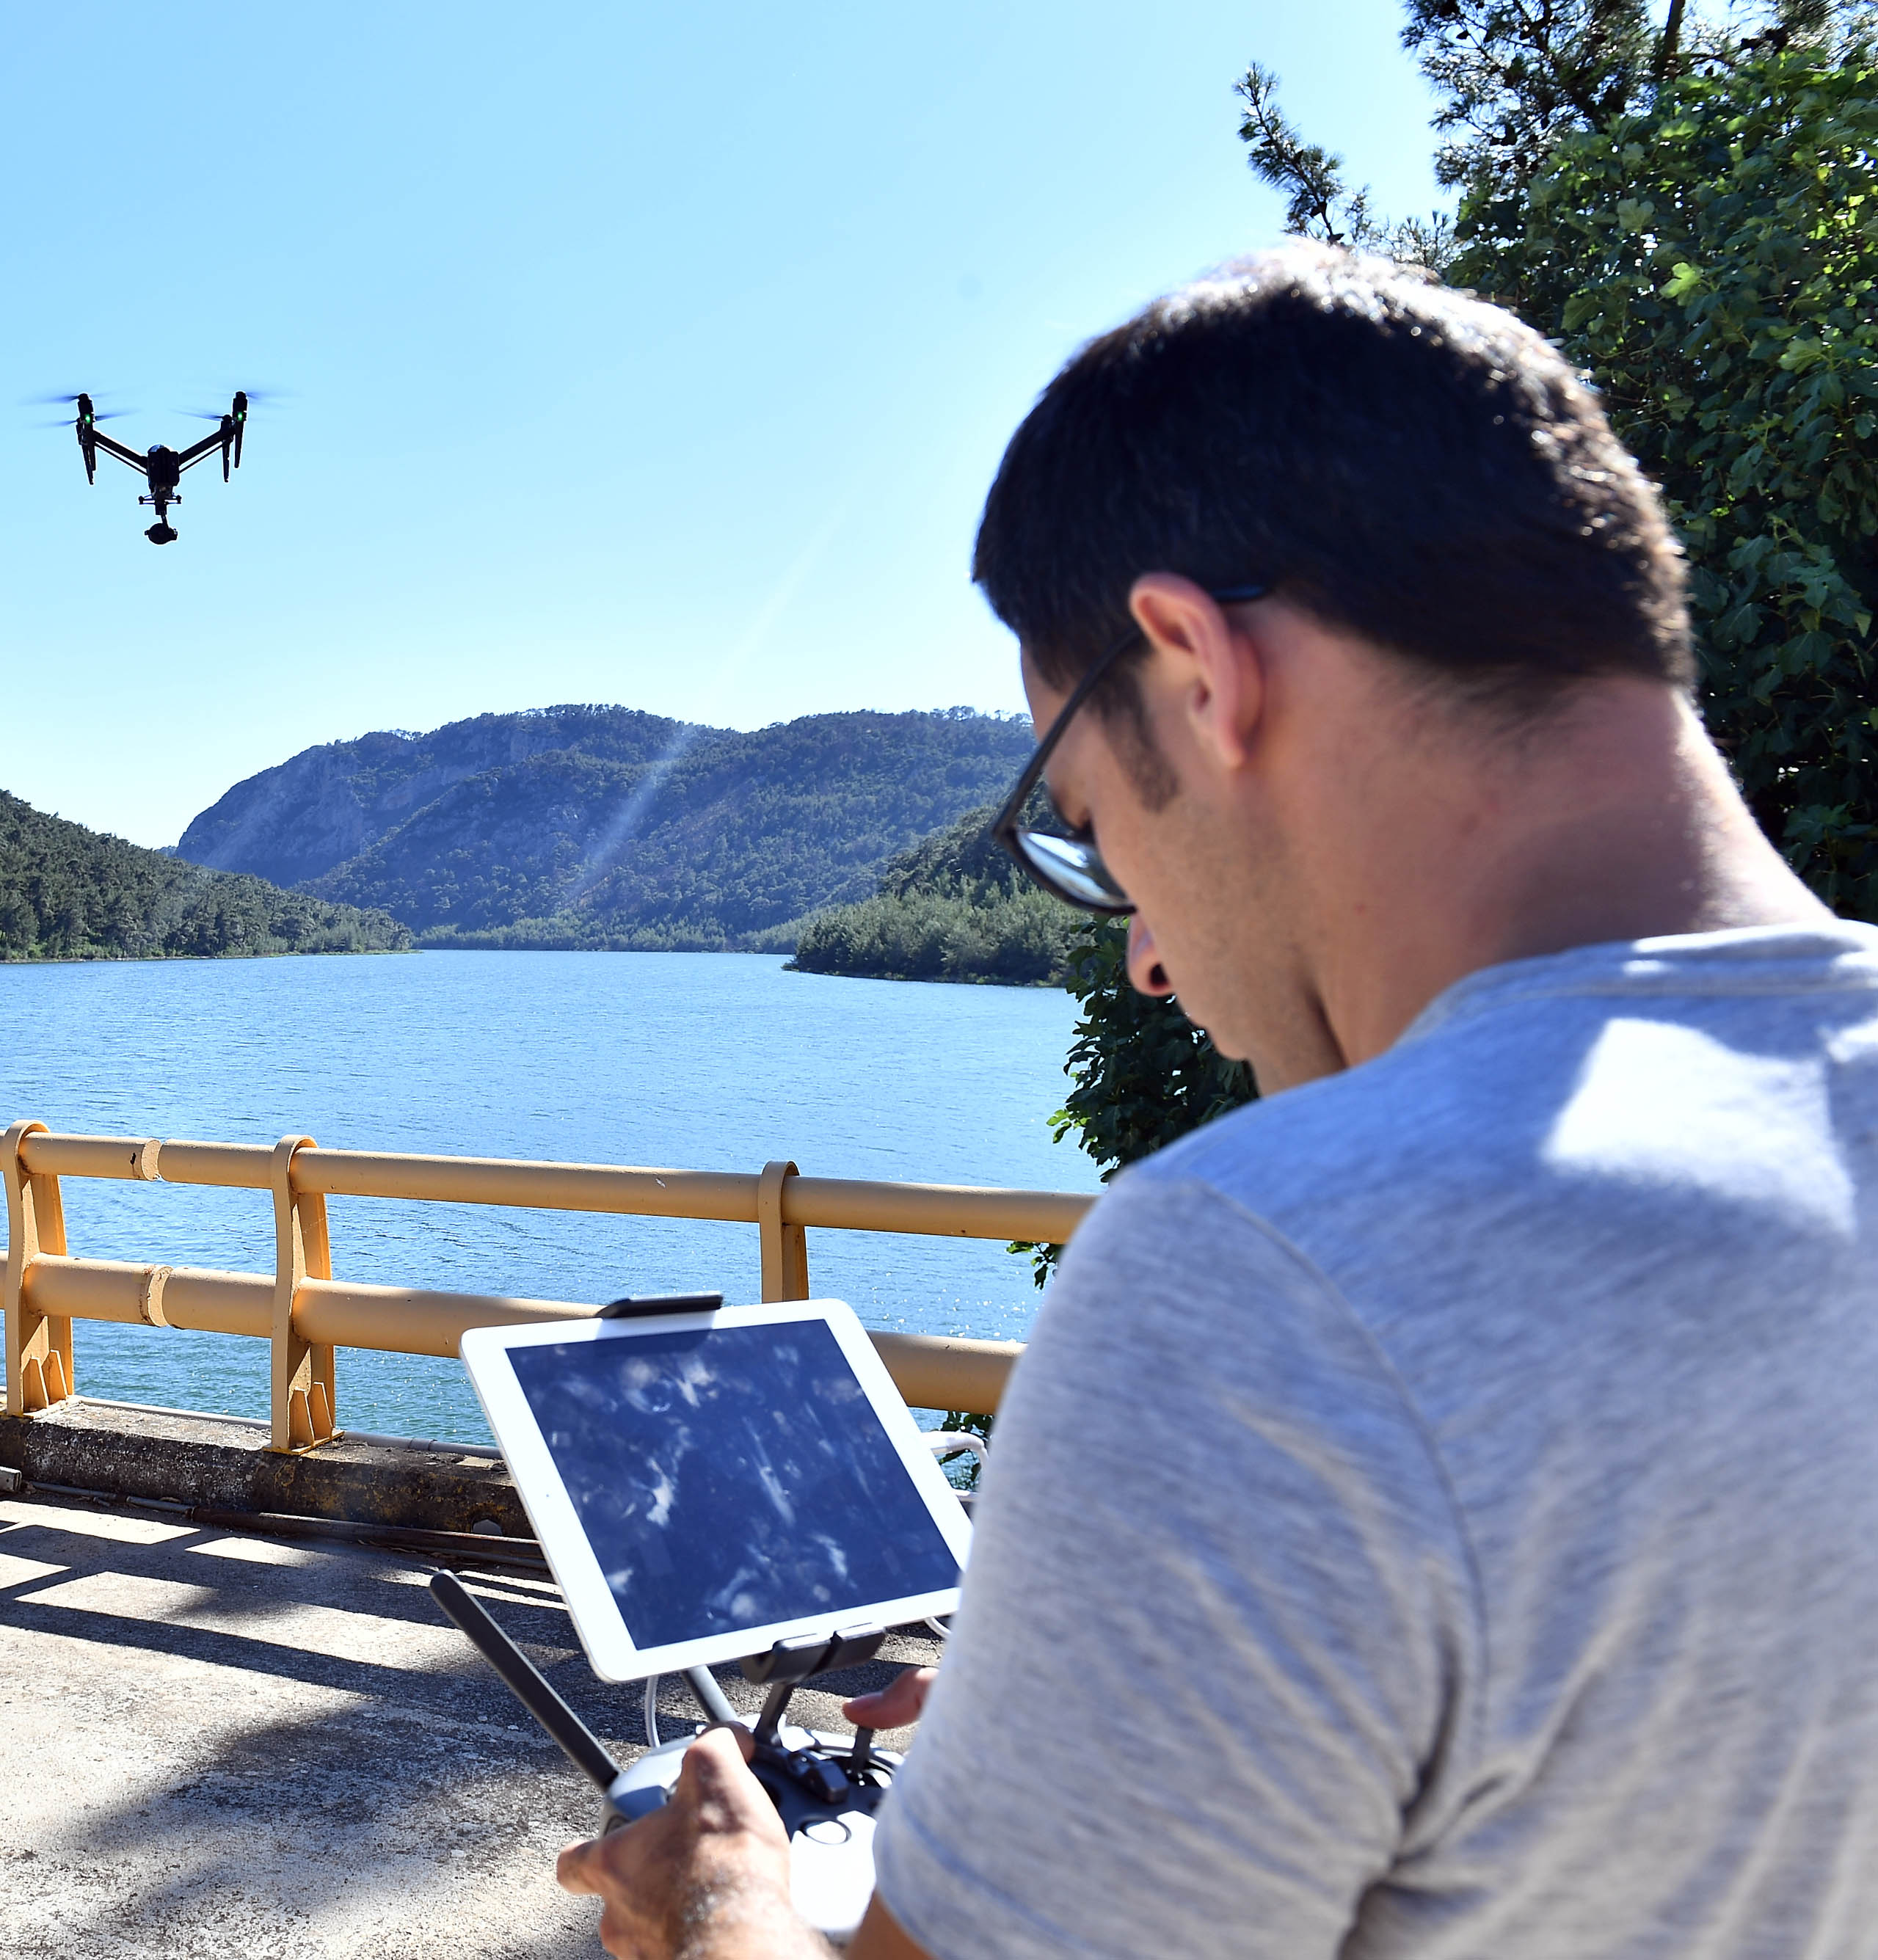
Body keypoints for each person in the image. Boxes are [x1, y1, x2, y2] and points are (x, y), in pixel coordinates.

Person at [556, 246, 1878, 1958]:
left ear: (1196, 665)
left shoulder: (1271, 1280)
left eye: (1096, 829)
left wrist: (716, 1894)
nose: (1150, 962)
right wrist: (1115, 1701)